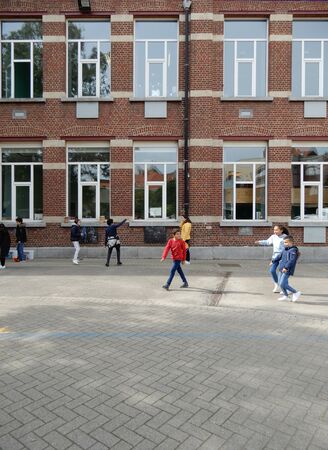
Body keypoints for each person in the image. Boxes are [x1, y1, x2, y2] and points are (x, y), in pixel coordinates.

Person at [255, 224, 288, 293]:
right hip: (275, 257)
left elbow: (289, 246)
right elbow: (267, 242)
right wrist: (259, 242)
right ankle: (276, 285)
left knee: (282, 272)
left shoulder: (285, 237)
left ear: (281, 230)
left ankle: (285, 287)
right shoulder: (273, 237)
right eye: (274, 230)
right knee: (272, 270)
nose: (274, 231)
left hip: (283, 256)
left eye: (276, 230)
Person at [272, 235, 301, 302]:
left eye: (286, 242)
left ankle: (295, 292)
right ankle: (286, 296)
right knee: (280, 283)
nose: (284, 244)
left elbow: (292, 260)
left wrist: (286, 267)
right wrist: (273, 261)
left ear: (291, 242)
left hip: (287, 269)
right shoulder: (285, 249)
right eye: (284, 242)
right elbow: (279, 256)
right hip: (281, 268)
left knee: (282, 283)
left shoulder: (293, 250)